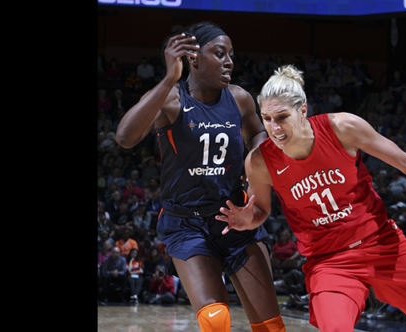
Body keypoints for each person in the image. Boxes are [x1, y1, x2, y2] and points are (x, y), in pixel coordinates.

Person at [217, 65, 406, 332]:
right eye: (266, 118)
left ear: (302, 111)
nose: (273, 127)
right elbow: (261, 211)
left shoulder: (342, 127)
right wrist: (247, 219)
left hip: (382, 245)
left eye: (281, 117)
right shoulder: (259, 161)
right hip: (329, 262)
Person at [114, 22, 285, 332]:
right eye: (220, 54)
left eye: (231, 55)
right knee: (215, 320)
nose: (229, 62)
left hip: (235, 216)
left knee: (272, 327)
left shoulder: (240, 98)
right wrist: (169, 78)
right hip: (186, 223)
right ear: (193, 58)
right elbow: (125, 137)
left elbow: (257, 135)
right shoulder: (172, 100)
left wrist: (258, 159)